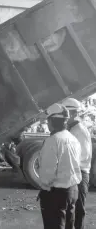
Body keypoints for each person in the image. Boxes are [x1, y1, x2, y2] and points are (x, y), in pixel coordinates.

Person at [38, 103, 82, 229]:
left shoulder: (53, 141)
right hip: (72, 190)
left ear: (51, 121)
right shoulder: (73, 139)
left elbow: (48, 172)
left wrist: (45, 187)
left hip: (56, 194)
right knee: (69, 225)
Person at [62, 98, 92, 229]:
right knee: (70, 210)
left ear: (73, 114)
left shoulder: (79, 130)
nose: (63, 117)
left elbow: (84, 156)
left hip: (79, 174)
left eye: (65, 114)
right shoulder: (71, 129)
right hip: (73, 174)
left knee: (78, 210)